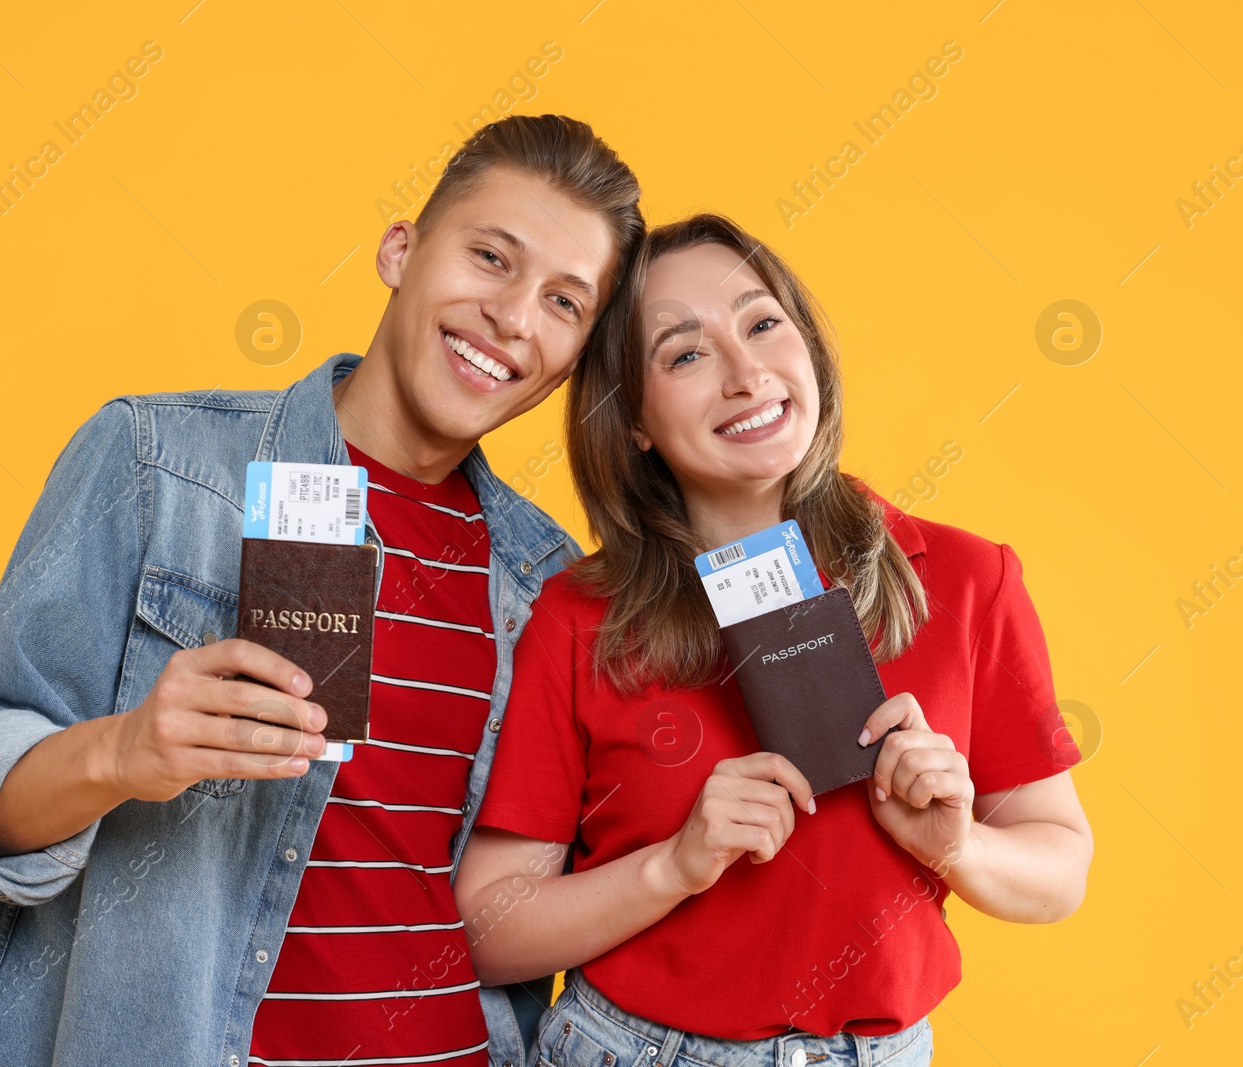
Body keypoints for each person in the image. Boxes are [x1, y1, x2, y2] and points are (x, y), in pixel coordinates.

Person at [0, 114, 644, 1067]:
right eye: (492, 258)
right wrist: (125, 751)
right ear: (399, 250)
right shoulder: (156, 466)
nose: (513, 317)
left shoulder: (545, 581)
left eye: (563, 303)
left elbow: (544, 895)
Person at [453, 213, 1094, 1067]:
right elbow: (488, 926)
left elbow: (1062, 870)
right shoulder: (580, 618)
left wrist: (959, 845)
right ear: (635, 420)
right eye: (686, 353)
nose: (747, 374)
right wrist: (674, 865)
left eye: (762, 324)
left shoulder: (971, 581)